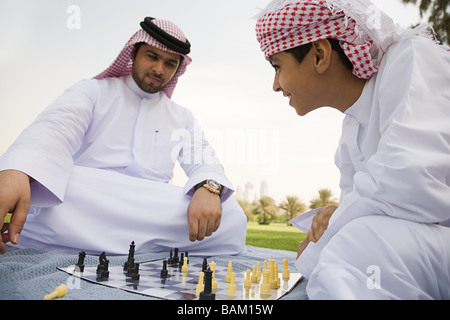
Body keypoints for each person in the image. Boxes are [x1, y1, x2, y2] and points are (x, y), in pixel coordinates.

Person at [0, 17, 247, 256]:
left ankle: (82, 241)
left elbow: (205, 160)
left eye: (170, 64)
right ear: (132, 53)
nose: (159, 69)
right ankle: (147, 245)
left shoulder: (182, 116)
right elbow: (54, 130)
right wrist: (18, 170)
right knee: (54, 185)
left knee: (232, 214)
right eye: (152, 56)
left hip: (151, 205)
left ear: (178, 69)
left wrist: (209, 187)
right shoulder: (93, 91)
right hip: (88, 198)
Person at [256, 0, 450, 299]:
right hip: (430, 249)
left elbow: (410, 181)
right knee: (350, 243)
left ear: (319, 54)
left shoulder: (410, 57)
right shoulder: (351, 128)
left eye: (277, 67)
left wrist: (331, 230)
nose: (275, 85)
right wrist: (332, 222)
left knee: (357, 244)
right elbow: (365, 202)